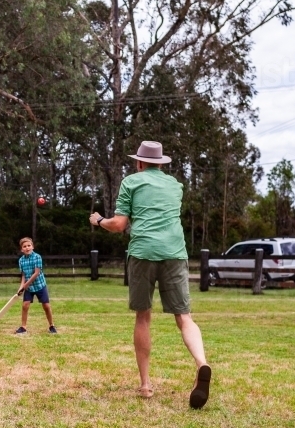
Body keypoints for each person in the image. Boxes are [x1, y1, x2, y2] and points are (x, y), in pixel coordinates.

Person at [89, 140, 212, 409]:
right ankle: (202, 363)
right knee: (184, 317)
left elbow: (119, 224)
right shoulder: (175, 186)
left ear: (139, 162)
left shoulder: (132, 182)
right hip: (175, 252)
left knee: (143, 316)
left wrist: (98, 221)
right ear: (161, 163)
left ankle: (145, 385)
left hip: (143, 251)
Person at [15, 237, 56, 334]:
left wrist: (25, 285)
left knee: (46, 306)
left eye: (29, 246)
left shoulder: (37, 257)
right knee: (25, 305)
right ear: (22, 249)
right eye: (24, 246)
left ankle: (51, 326)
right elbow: (24, 275)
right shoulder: (21, 260)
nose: (27, 248)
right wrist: (21, 287)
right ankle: (23, 327)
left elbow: (36, 273)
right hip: (29, 287)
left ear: (32, 247)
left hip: (40, 285)